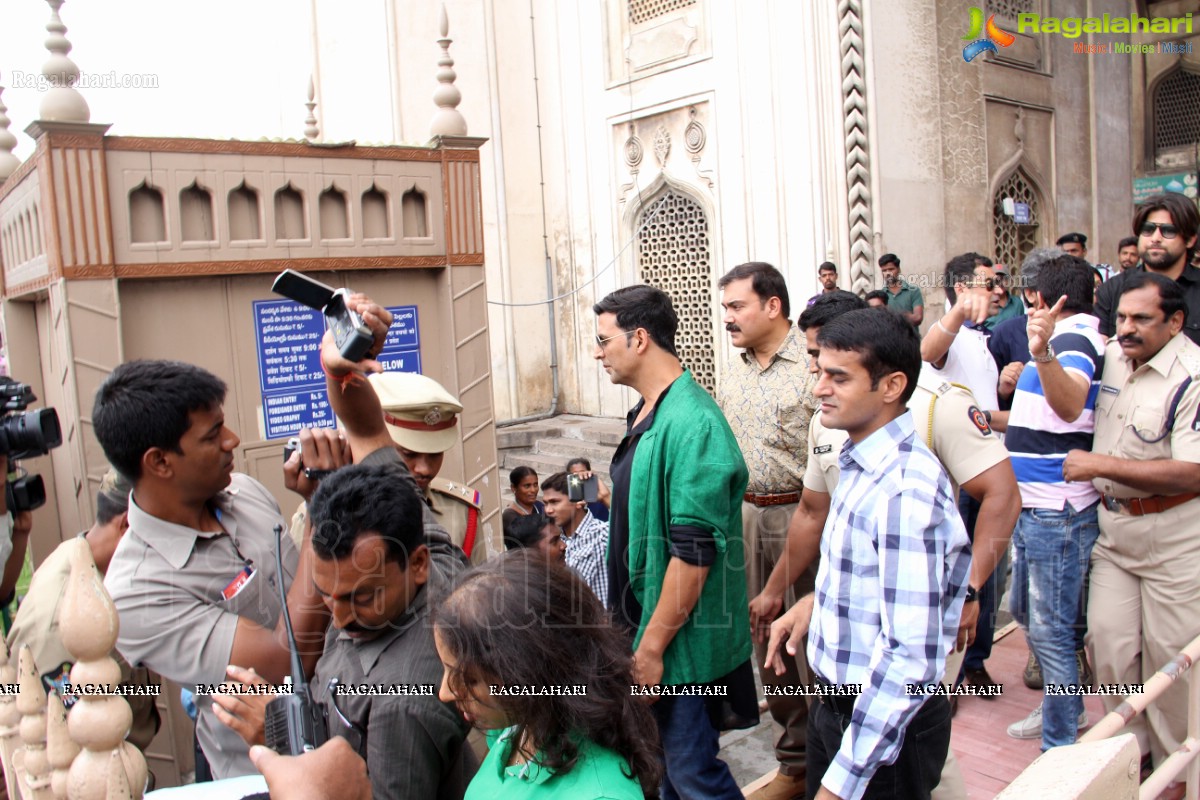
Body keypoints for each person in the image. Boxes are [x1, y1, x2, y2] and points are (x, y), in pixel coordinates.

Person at [766, 292, 1017, 800]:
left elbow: (908, 660)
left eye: (839, 378)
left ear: (892, 386)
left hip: (879, 730)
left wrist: (843, 781)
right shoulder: (864, 459)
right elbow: (871, 570)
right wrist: (816, 603)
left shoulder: (905, 489)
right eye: (820, 372)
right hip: (839, 711)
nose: (819, 389)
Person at [95, 360, 346, 779]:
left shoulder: (243, 492)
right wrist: (322, 511)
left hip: (346, 726)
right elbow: (288, 663)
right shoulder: (137, 592)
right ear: (159, 462)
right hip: (269, 772)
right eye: (212, 435)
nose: (232, 441)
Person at [594, 284, 757, 799]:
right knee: (662, 771)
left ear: (639, 339)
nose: (598, 353)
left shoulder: (692, 424)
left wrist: (652, 647)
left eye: (604, 340)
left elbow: (692, 552)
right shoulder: (650, 409)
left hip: (675, 643)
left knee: (692, 773)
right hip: (642, 628)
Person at [1063, 273, 1200, 799]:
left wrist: (1099, 463)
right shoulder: (1113, 357)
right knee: (1110, 647)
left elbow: (1192, 471)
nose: (1126, 328)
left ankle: (1180, 772)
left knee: (1173, 662)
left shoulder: (1192, 375)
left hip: (1175, 538)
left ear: (1175, 321)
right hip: (1115, 533)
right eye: (1120, 317)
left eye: (1141, 319)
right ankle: (1134, 754)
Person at [986, 255, 1104, 748]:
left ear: (1036, 296)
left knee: (1052, 631)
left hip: (1055, 512)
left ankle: (1059, 747)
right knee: (1031, 616)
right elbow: (1046, 420)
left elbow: (1072, 403)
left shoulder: (1070, 341)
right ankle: (1065, 711)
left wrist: (1042, 354)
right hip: (1035, 508)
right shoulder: (1061, 341)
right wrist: (983, 416)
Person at [435, 551, 662, 799]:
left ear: (527, 672)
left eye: (469, 679)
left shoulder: (599, 794)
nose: (444, 692)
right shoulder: (516, 730)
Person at [716, 261, 815, 800]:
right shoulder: (733, 369)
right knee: (765, 641)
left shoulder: (812, 366)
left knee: (809, 643)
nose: (727, 317)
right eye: (726, 307)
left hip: (800, 517)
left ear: (772, 306)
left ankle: (829, 757)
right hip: (746, 518)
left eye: (737, 306)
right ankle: (794, 762)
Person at [6, 469, 161, 753]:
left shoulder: (101, 571)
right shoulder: (62, 620)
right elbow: (65, 746)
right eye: (166, 535)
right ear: (128, 526)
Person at [367, 372, 484, 562]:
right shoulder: (330, 510)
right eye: (409, 454)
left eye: (435, 454)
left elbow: (478, 589)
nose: (424, 469)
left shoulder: (462, 513)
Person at [1096, 192, 1200, 346]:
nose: (1155, 238)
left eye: (1168, 230)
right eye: (1148, 229)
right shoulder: (1112, 289)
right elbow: (1099, 349)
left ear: (1190, 240)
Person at [921, 253, 1001, 411]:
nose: (998, 291)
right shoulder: (949, 334)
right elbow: (927, 353)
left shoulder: (985, 336)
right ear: (961, 289)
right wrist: (959, 309)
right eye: (989, 285)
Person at [541, 471, 609, 605]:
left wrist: (607, 498)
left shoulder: (602, 533)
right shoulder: (555, 541)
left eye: (554, 502)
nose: (548, 510)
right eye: (545, 503)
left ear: (579, 501)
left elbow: (634, 534)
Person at [878, 253, 924, 329]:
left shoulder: (913, 291)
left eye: (891, 269)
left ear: (898, 269)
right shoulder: (880, 295)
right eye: (884, 270)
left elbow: (918, 318)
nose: (888, 273)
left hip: (911, 340)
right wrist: (907, 315)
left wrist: (891, 316)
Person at [565, 457, 610, 523]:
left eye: (583, 473)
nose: (580, 477)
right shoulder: (565, 499)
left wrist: (605, 496)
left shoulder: (598, 498)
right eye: (575, 475)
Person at [501, 467, 543, 536]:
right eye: (527, 486)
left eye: (535, 485)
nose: (533, 490)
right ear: (513, 488)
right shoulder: (509, 516)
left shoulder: (540, 506)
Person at [984, 264, 1024, 329]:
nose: (1000, 283)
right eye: (997, 280)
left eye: (1003, 279)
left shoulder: (1017, 303)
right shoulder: (986, 304)